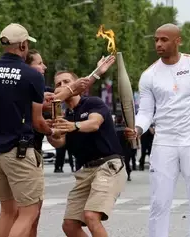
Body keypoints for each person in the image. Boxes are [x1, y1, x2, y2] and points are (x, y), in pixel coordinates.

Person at [125, 23, 190, 237]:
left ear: (178, 41)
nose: (158, 44)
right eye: (156, 40)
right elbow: (146, 111)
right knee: (159, 205)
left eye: (164, 39)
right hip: (163, 145)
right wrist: (138, 128)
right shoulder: (149, 75)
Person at [0, 23, 66, 237]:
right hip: (18, 150)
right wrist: (52, 131)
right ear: (23, 45)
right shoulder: (31, 76)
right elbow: (38, 122)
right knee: (29, 212)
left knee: (7, 212)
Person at [47, 71, 127, 237]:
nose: (63, 86)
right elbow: (59, 142)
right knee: (69, 225)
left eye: (66, 81)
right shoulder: (64, 115)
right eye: (58, 84)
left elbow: (94, 123)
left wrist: (74, 126)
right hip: (85, 171)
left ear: (77, 86)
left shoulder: (92, 102)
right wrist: (50, 131)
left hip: (108, 165)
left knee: (91, 216)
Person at [114, 113, 133, 181]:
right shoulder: (126, 128)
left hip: (118, 149)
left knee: (119, 163)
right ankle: (127, 175)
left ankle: (122, 175)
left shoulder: (114, 128)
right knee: (126, 163)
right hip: (125, 148)